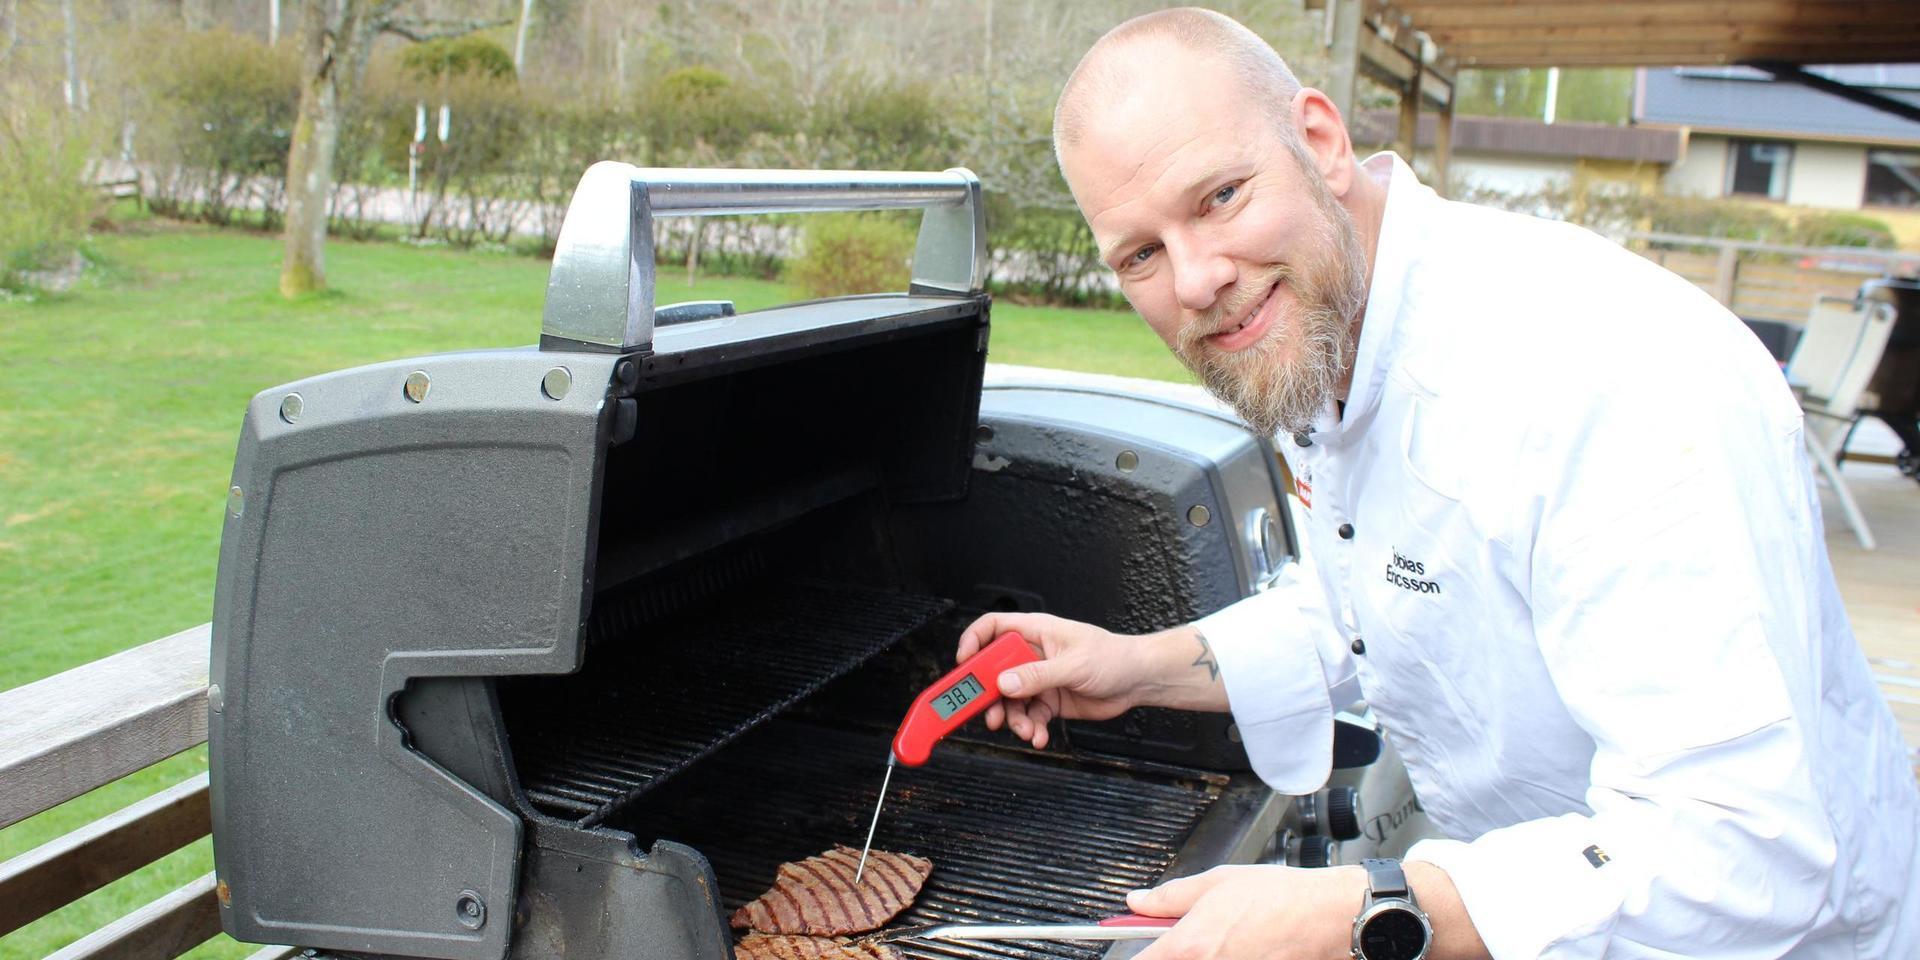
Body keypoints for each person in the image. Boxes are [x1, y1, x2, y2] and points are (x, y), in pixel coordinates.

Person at [955, 8, 1920, 959]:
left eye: (1220, 197)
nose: (1197, 279)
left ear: (1320, 142)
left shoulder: (1610, 379)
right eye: (1141, 254)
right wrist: (1135, 667)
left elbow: (1746, 844)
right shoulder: (1327, 329)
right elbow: (1375, 597)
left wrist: (1360, 910)